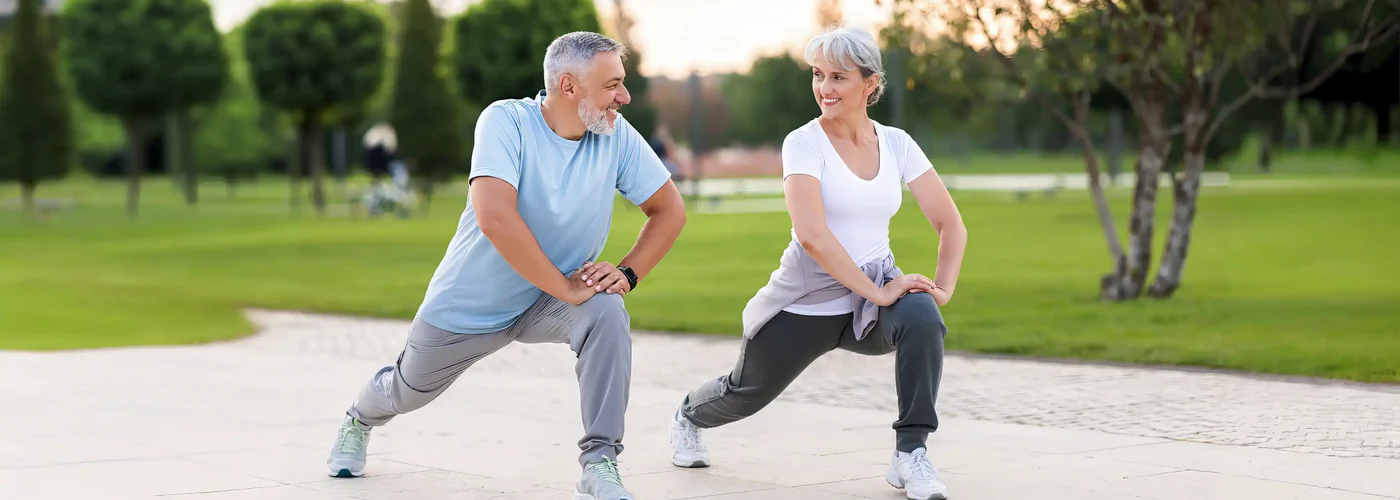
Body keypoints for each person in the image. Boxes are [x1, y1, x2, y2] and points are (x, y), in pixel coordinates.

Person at [325, 31, 687, 500]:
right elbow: (495, 216)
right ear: (569, 86)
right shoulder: (505, 122)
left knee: (607, 311)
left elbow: (669, 210)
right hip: (472, 304)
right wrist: (565, 286)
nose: (625, 96)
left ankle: (599, 464)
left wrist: (628, 272)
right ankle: (359, 416)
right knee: (407, 391)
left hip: (551, 299)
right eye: (612, 84)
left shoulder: (614, 135)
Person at [666, 26, 967, 500]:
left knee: (923, 317)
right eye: (818, 75)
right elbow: (812, 236)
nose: (825, 88)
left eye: (839, 77)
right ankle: (688, 415)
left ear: (870, 84)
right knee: (746, 393)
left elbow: (951, 224)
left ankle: (910, 454)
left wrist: (941, 289)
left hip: (869, 303)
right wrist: (881, 292)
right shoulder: (803, 143)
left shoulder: (897, 144)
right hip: (806, 301)